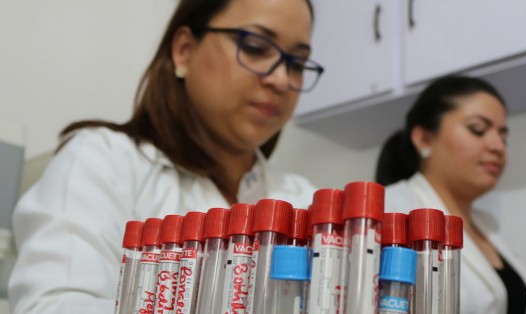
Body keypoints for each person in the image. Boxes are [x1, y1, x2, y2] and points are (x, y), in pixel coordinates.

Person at [9, 0, 321, 312]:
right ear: (184, 49)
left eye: (297, 63)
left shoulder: (306, 202)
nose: (281, 80)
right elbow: (51, 306)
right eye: (254, 46)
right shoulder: (101, 162)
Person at [377, 76, 526, 313]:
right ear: (424, 138)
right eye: (478, 130)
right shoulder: (392, 211)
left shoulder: (489, 226)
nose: (497, 146)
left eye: (503, 137)